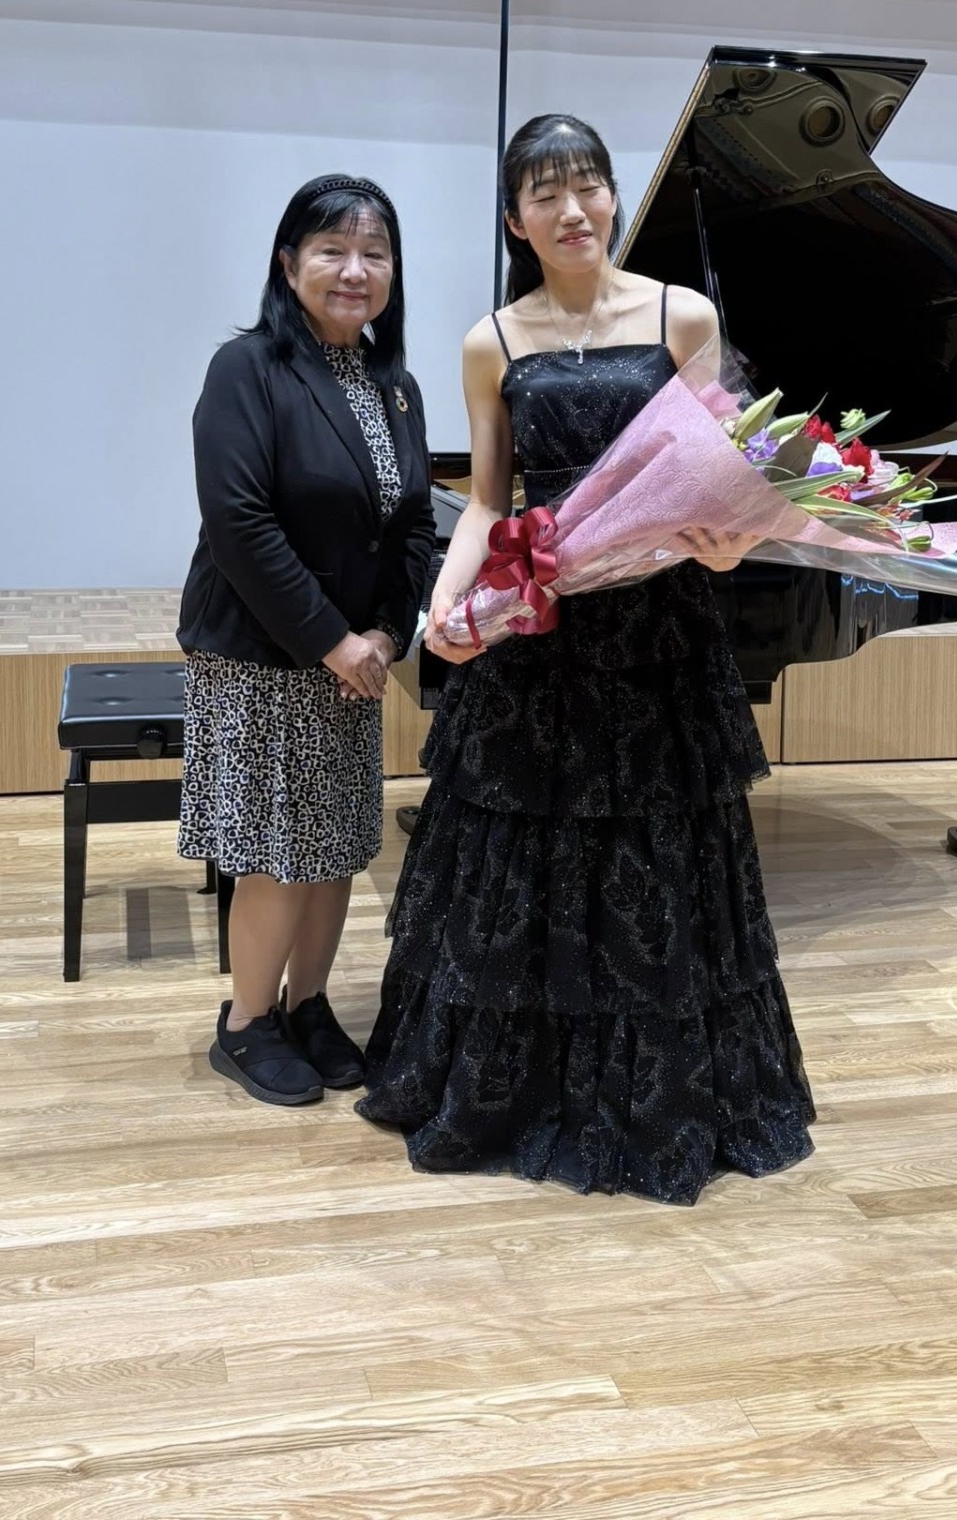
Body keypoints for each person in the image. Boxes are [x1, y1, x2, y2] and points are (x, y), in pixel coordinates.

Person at [357, 117, 815, 1201]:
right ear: (515, 220)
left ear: (613, 197)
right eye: (545, 194)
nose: (573, 210)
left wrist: (730, 544)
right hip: (540, 634)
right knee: (526, 859)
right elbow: (487, 503)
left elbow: (723, 484)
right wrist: (445, 601)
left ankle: (657, 1099)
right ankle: (519, 1090)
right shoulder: (492, 341)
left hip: (659, 635)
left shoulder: (680, 315)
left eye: (589, 186)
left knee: (659, 856)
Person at [177, 175, 435, 1107]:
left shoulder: (395, 387)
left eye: (374, 253)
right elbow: (240, 524)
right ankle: (247, 1022)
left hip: (354, 661)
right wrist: (333, 641)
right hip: (264, 656)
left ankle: (309, 1003)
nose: (354, 270)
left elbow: (413, 529)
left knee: (337, 849)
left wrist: (387, 633)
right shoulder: (246, 369)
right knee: (276, 852)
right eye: (332, 250)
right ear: (289, 266)